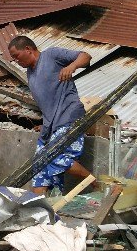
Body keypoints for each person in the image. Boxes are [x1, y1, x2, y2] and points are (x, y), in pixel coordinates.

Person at [7, 35, 94, 195]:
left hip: (69, 117)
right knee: (39, 169)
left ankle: (95, 183)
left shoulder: (51, 55)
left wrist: (72, 66)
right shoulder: (30, 73)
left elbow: (86, 57)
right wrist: (46, 122)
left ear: (27, 49)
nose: (15, 61)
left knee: (55, 157)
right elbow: (49, 100)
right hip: (50, 126)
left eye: (16, 56)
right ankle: (41, 211)